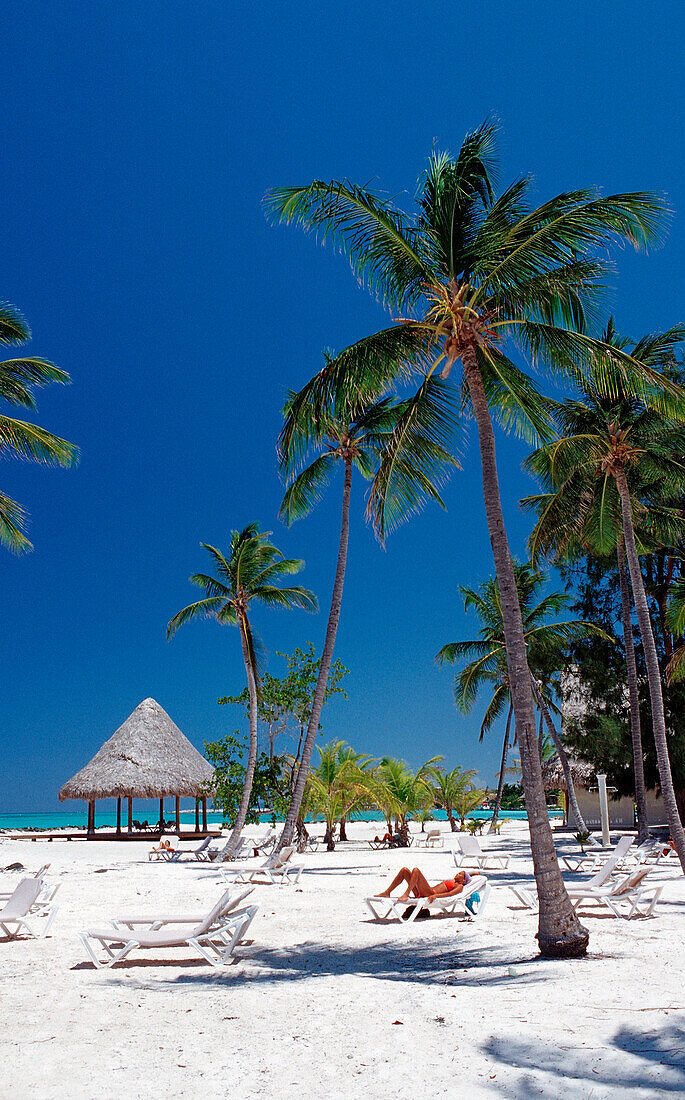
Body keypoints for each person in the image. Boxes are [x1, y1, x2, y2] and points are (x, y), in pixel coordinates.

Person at [376, 866, 471, 903]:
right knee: (404, 870)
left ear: (463, 880)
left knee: (416, 870)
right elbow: (469, 875)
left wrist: (435, 896)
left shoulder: (459, 886)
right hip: (422, 892)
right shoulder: (454, 881)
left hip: (429, 893)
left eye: (460, 874)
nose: (457, 874)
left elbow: (450, 894)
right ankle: (387, 892)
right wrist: (476, 873)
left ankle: (407, 893)